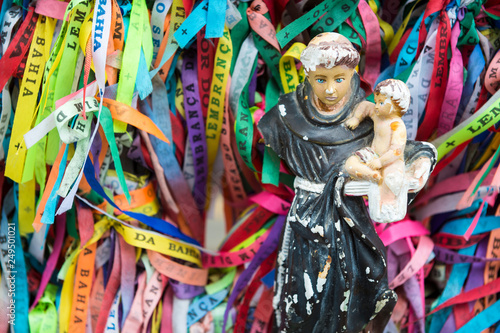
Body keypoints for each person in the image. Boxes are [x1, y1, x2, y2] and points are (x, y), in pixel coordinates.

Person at [257, 33, 436, 332]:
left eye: (339, 79)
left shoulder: (370, 114)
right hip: (306, 220)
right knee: (304, 293)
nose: (330, 89)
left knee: (357, 285)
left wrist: (421, 161)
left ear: (353, 73)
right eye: (320, 79)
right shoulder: (284, 118)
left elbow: (400, 148)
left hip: (350, 225)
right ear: (307, 74)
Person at [345, 79, 411, 222]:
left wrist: (381, 162)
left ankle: (386, 207)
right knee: (350, 164)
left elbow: (396, 151)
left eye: (381, 103)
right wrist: (356, 119)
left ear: (395, 106)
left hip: (390, 161)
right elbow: (364, 106)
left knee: (392, 179)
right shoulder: (377, 114)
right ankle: (372, 175)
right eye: (376, 101)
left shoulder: (397, 125)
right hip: (373, 153)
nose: (376, 106)